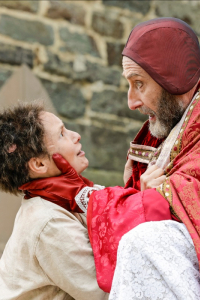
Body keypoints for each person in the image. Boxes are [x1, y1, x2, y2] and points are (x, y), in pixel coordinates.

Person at [23, 17, 200, 299]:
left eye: (139, 84)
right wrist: (142, 195)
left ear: (171, 76)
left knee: (145, 244)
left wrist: (156, 195)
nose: (131, 102)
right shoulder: (175, 119)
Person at [0, 103, 176, 299]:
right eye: (62, 134)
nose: (76, 135)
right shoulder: (48, 222)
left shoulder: (70, 195)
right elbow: (113, 291)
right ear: (39, 164)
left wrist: (131, 188)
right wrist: (146, 206)